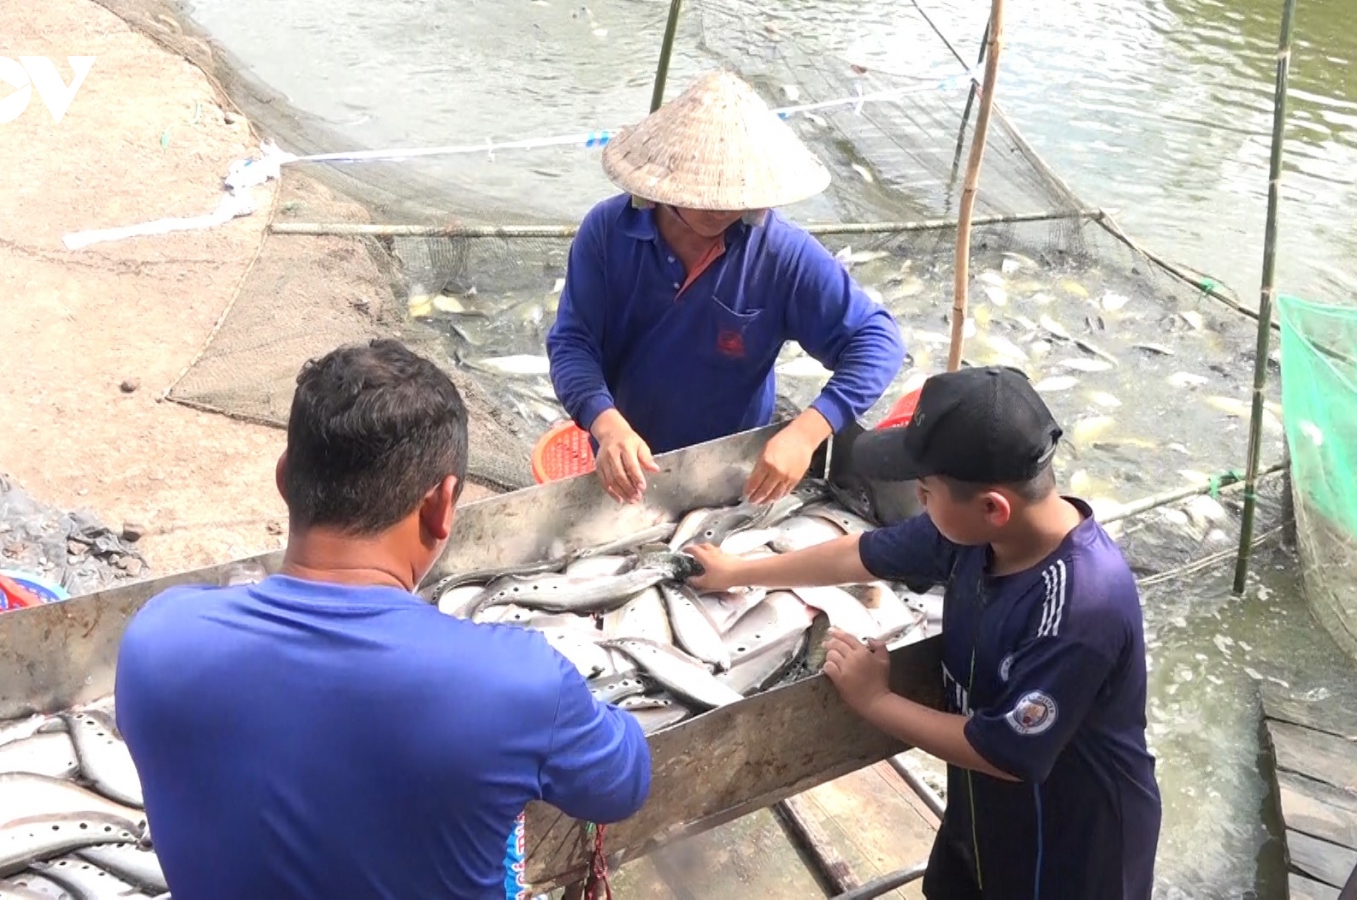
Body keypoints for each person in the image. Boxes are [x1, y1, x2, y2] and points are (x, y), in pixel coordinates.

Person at [115, 339, 652, 900]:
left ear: (284, 478)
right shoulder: (515, 682)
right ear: (442, 506)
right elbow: (624, 783)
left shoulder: (156, 640)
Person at [685, 366, 1161, 899]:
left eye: (926, 491)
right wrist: (738, 572)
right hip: (981, 824)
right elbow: (861, 555)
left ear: (991, 507)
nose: (918, 500)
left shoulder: (1080, 606)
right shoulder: (974, 537)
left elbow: (1007, 754)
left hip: (1072, 858)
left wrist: (875, 700)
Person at [546, 69, 906, 506]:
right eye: (703, 195)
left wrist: (807, 431)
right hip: (626, 462)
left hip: (732, 469)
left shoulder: (780, 254)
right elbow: (572, 341)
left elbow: (878, 340)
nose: (720, 209)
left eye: (734, 196)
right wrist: (605, 422)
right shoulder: (607, 232)